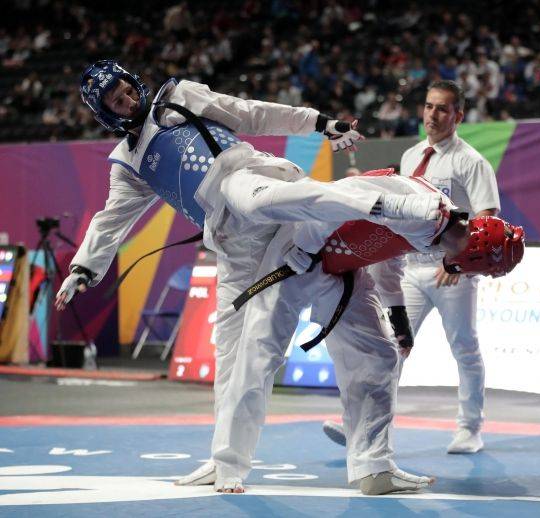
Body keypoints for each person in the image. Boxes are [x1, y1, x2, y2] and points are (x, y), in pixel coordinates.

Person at [54, 61, 442, 489]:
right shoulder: (128, 163)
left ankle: (374, 465)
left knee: (371, 346)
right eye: (117, 101)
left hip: (263, 190)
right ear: (106, 114)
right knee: (234, 356)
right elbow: (111, 219)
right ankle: (225, 463)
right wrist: (83, 268)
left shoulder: (179, 97)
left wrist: (318, 122)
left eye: (128, 89)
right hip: (236, 246)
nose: (129, 100)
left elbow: (251, 113)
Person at [180, 169, 523, 495]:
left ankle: (374, 467)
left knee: (379, 357)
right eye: (482, 272)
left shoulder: (439, 231)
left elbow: (391, 254)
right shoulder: (424, 208)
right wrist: (305, 245)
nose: (473, 276)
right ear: (478, 258)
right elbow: (340, 195)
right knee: (259, 355)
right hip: (298, 254)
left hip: (344, 271)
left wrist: (398, 316)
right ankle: (226, 464)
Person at [323, 80, 501, 455]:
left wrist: (458, 263)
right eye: (429, 106)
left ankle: (470, 429)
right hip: (409, 269)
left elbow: (487, 220)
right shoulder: (410, 156)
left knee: (464, 347)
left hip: (451, 273)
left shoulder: (471, 162)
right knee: (391, 347)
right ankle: (363, 423)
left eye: (442, 109)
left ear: (458, 116)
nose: (433, 115)